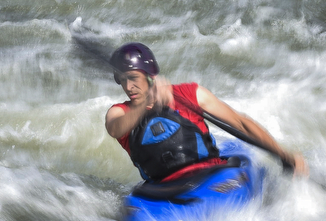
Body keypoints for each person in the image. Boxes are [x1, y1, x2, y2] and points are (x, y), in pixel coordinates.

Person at [104, 42, 308, 181]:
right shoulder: (120, 112)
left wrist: (283, 154)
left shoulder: (189, 94)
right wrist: (145, 104)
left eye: (133, 78)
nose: (128, 87)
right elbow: (115, 128)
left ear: (150, 76)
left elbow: (241, 123)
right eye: (122, 80)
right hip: (162, 189)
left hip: (211, 176)